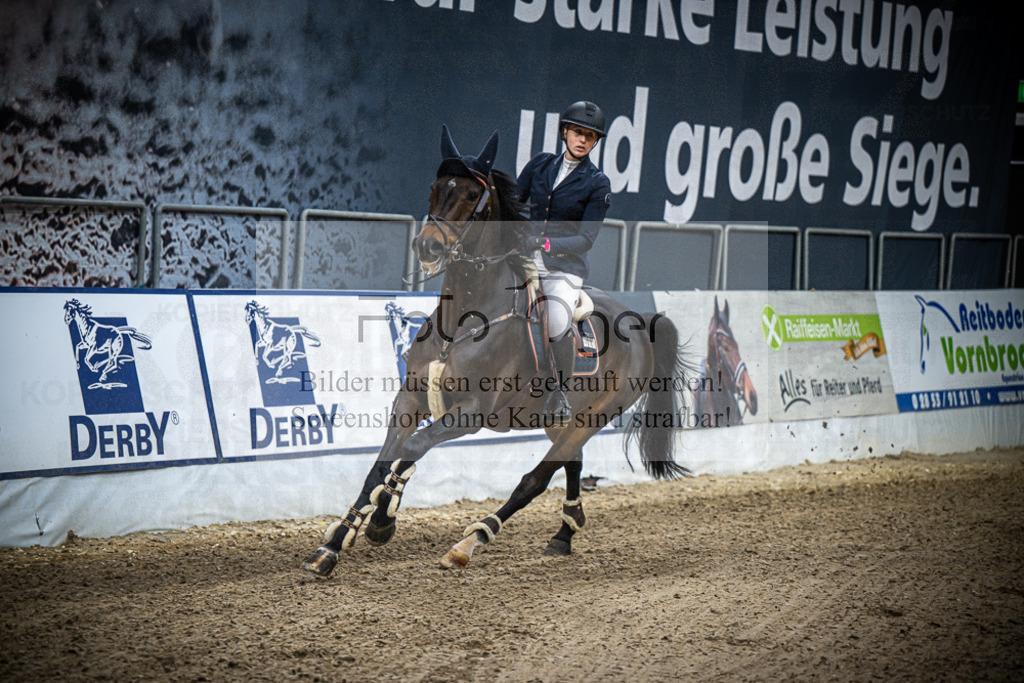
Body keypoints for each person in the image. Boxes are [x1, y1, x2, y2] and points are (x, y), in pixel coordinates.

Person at [516, 100, 612, 426]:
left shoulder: (598, 184)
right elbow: (515, 201)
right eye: (577, 132)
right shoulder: (540, 165)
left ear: (595, 141)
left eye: (590, 135)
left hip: (564, 268)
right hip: (524, 258)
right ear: (564, 132)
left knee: (556, 320)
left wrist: (546, 243)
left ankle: (560, 392)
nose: (582, 140)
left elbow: (586, 240)